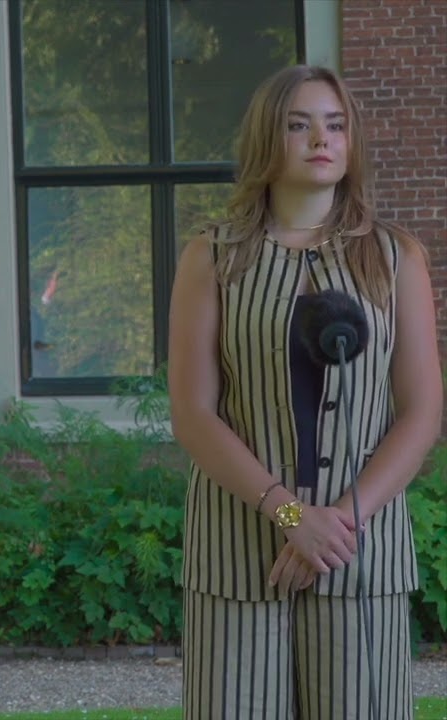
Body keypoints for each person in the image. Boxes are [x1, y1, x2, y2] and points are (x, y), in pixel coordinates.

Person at [168, 64, 440, 719]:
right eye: (299, 124)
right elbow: (193, 412)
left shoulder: (395, 257)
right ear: (268, 139)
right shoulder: (214, 256)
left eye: (336, 124)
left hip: (360, 557)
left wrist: (338, 524)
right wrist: (291, 516)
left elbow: (423, 411)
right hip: (236, 557)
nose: (321, 138)